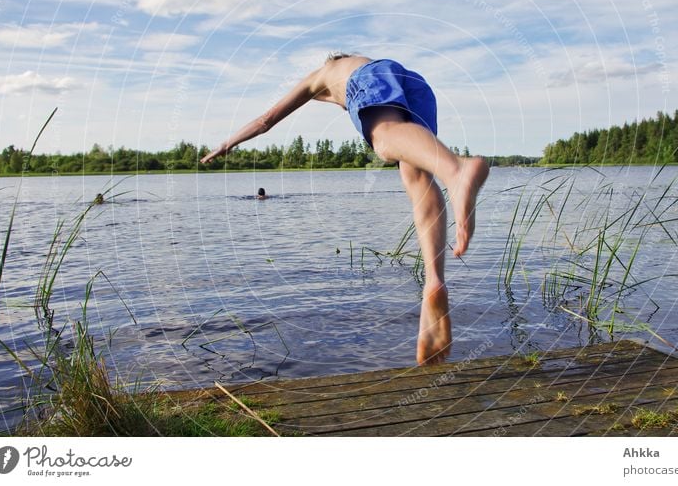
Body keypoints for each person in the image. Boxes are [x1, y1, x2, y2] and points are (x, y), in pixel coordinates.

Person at [201, 53, 489, 365]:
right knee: (416, 174)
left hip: (373, 76)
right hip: (416, 81)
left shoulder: (325, 73)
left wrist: (228, 143)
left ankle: (458, 171)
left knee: (383, 139)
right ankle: (434, 279)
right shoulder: (361, 68)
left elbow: (266, 119)